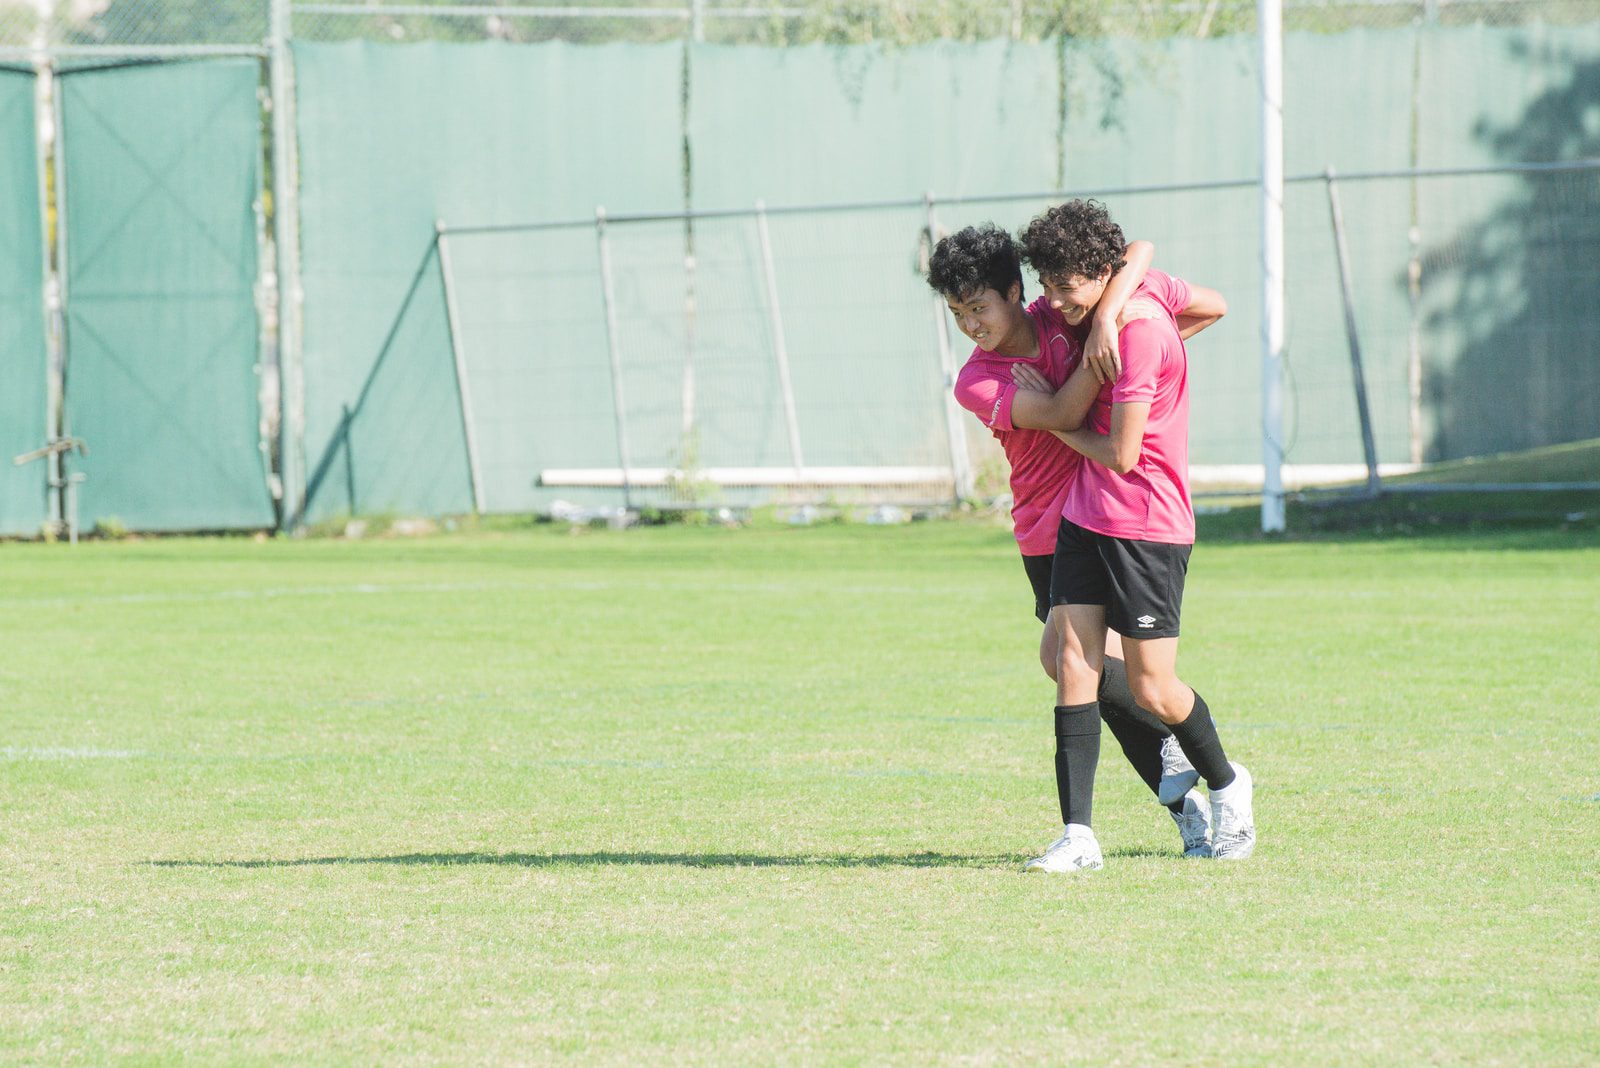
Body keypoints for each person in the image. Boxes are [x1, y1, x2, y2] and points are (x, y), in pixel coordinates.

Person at [926, 222, 1219, 865]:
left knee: (1077, 666)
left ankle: (1100, 827)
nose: (971, 325)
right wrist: (1102, 359)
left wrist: (1113, 319)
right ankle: (1181, 783)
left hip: (1109, 516)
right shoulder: (975, 380)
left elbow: (1141, 252)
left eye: (979, 307)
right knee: (1072, 665)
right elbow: (1059, 414)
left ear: (1014, 291)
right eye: (957, 314)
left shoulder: (1067, 311)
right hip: (1044, 531)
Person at [1018, 199, 1254, 872]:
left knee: (1154, 687)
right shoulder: (1129, 290)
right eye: (1047, 285)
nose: (1054, 301)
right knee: (1070, 664)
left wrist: (1055, 418)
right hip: (1084, 519)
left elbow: (1122, 456)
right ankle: (1078, 838)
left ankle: (1230, 784)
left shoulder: (1142, 332)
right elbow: (1197, 295)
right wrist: (1107, 305)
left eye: (1066, 288)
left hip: (1147, 525)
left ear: (1099, 272)